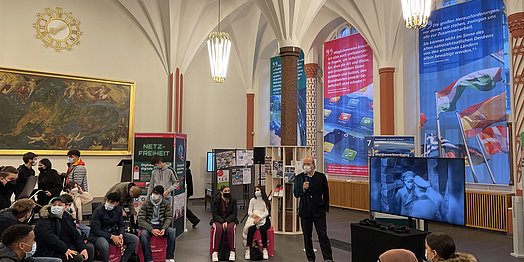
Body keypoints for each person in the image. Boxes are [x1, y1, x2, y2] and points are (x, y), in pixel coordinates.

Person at [293, 156, 333, 262]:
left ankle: (328, 258)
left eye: (308, 164)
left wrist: (325, 208)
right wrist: (302, 189)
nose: (306, 166)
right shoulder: (299, 178)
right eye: (304, 164)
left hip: (319, 211)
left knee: (323, 235)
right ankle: (311, 258)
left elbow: (326, 193)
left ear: (313, 165)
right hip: (305, 212)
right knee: (307, 237)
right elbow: (296, 194)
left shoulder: (321, 177)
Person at [34, 197, 93, 262]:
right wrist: (65, 250)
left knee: (89, 249)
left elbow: (76, 234)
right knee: (76, 258)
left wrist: (83, 248)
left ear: (66, 206)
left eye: (59, 205)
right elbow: (50, 238)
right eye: (54, 205)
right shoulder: (45, 218)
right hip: (52, 250)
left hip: (67, 245)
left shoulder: (67, 217)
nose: (56, 207)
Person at [88, 192, 138, 262]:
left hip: (113, 232)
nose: (109, 203)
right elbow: (96, 230)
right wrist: (112, 236)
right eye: (108, 201)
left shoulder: (118, 210)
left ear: (117, 203)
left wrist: (121, 235)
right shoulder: (98, 211)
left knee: (134, 239)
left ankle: (123, 260)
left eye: (112, 202)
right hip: (98, 235)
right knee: (104, 245)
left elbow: (121, 225)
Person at [137, 186, 176, 262]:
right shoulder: (146, 203)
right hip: (149, 226)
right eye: (154, 193)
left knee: (171, 232)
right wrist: (151, 229)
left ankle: (169, 257)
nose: (155, 195)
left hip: (161, 225)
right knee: (143, 235)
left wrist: (164, 228)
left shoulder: (166, 204)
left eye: (157, 193)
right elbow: (141, 219)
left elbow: (168, 217)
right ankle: (149, 259)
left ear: (161, 195)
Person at [210, 186, 238, 262]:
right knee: (218, 228)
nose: (227, 193)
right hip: (218, 220)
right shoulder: (216, 200)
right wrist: (222, 222)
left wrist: (227, 221)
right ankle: (215, 252)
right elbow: (215, 214)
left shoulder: (233, 200)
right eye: (225, 191)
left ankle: (232, 252)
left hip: (230, 220)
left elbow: (234, 214)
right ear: (221, 192)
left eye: (229, 191)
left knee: (231, 228)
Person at [243, 186, 271, 260]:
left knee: (263, 229)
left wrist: (260, 218)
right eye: (255, 190)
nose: (256, 191)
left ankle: (265, 249)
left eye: (258, 190)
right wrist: (253, 215)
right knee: (251, 228)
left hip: (264, 219)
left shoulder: (265, 200)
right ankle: (248, 248)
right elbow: (249, 211)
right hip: (254, 218)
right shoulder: (252, 200)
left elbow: (266, 212)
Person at [185, 161, 200, 228]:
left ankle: (195, 220)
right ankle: (194, 220)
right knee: (185, 207)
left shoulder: (186, 172)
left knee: (184, 208)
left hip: (186, 192)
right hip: (187, 192)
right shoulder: (188, 171)